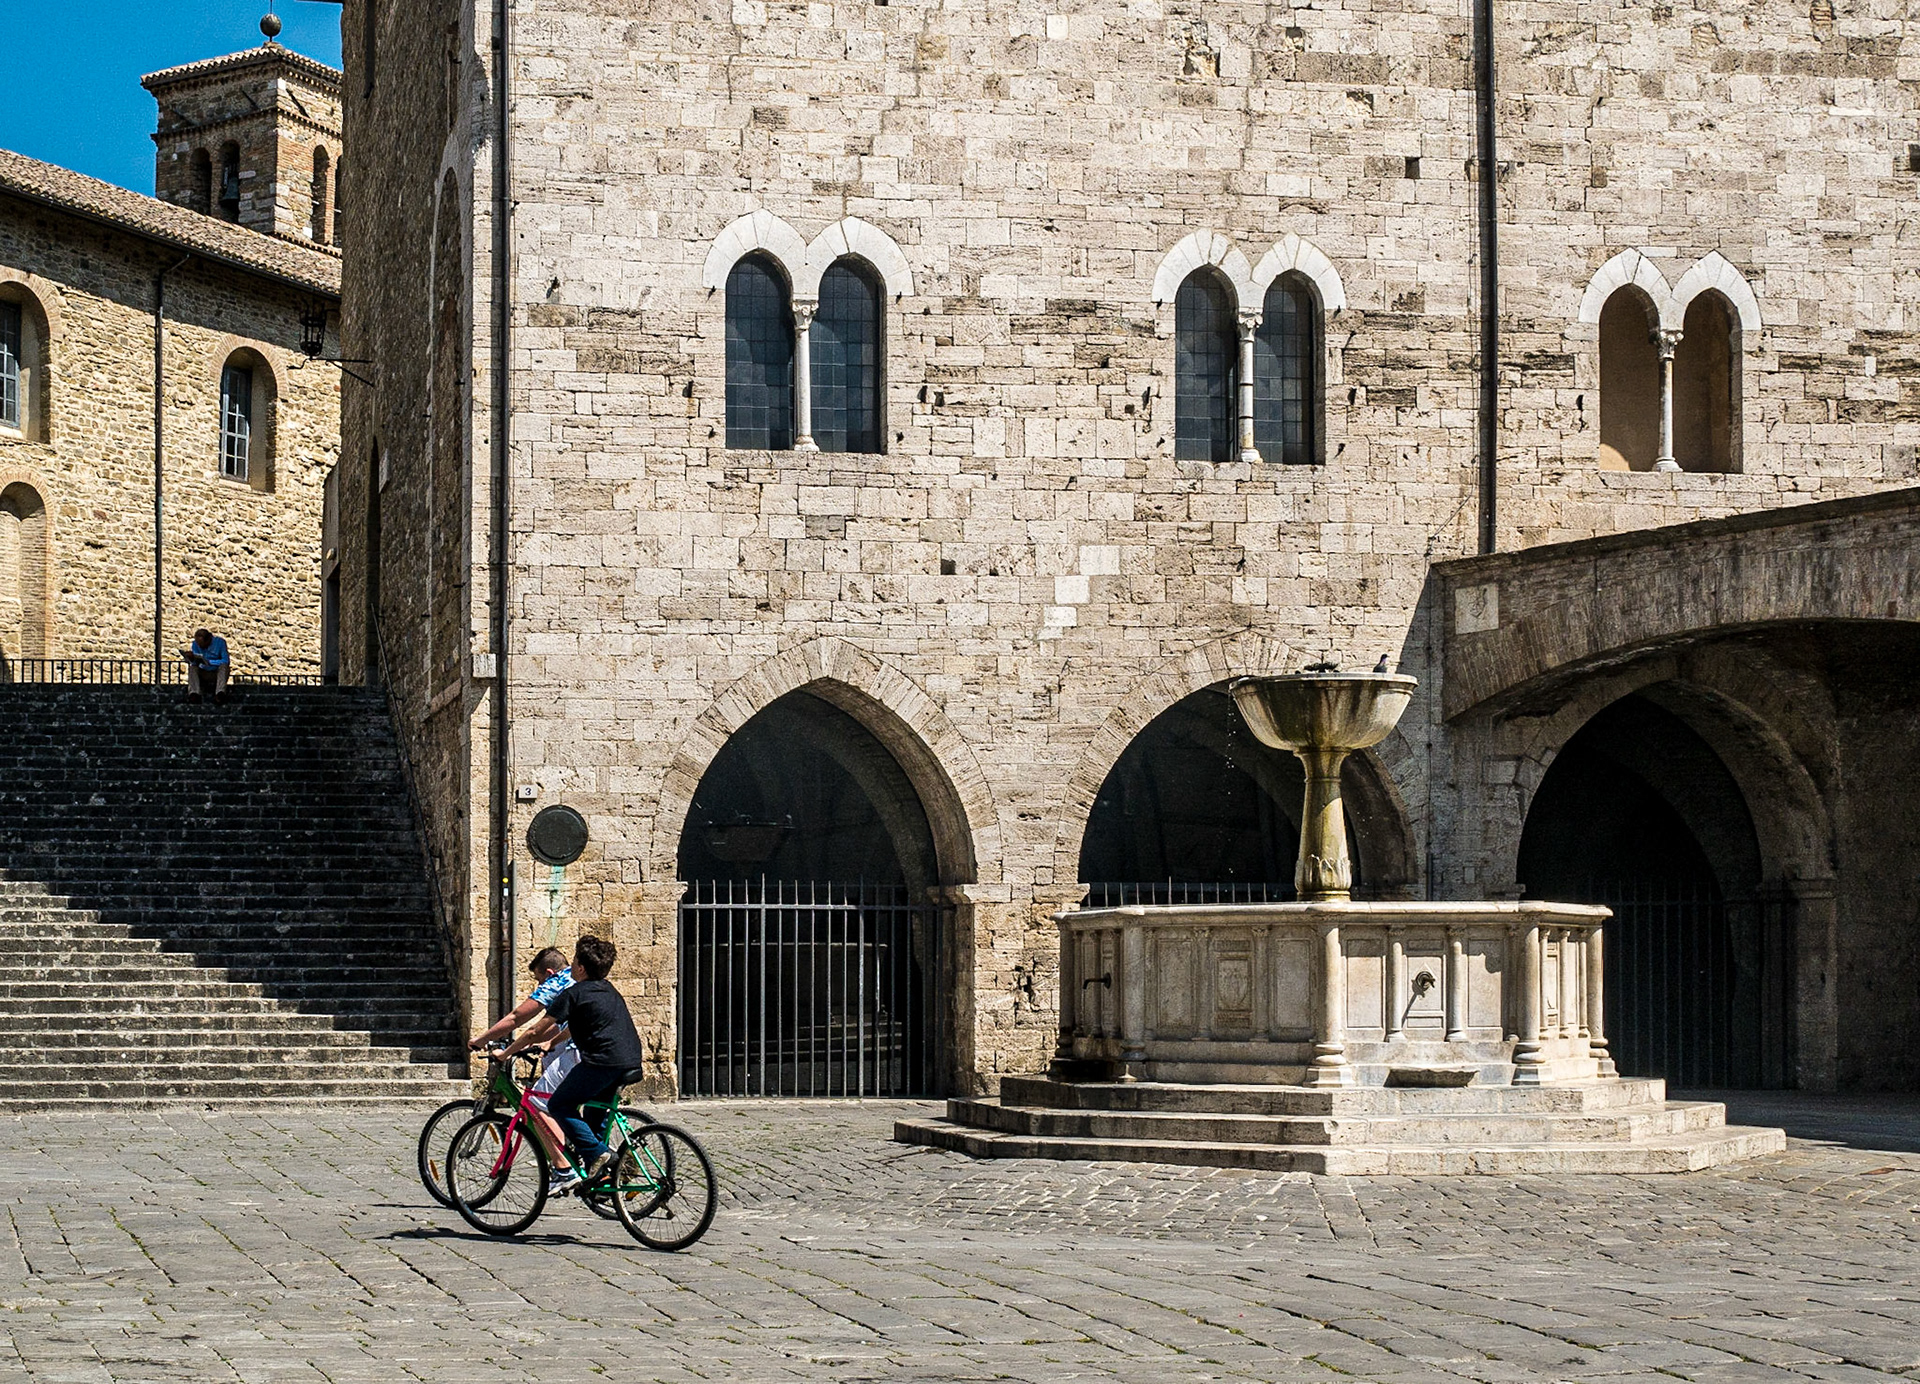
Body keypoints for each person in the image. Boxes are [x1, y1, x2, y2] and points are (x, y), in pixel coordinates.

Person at [540, 935, 646, 1185]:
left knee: (559, 1105)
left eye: (574, 959)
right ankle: (604, 1179)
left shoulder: (574, 993)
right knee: (593, 1114)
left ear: (580, 967)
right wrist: (550, 1043)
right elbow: (580, 1027)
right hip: (628, 1060)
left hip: (602, 1062)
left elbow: (536, 1029)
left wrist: (509, 1050)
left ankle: (601, 1154)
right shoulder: (607, 989)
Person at [470, 947, 575, 1177]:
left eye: (538, 980)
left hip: (575, 1053)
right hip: (596, 1051)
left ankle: (564, 1169)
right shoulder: (575, 979)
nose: (539, 986)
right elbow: (557, 1027)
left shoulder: (556, 983)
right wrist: (528, 1045)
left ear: (548, 973)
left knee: (538, 1103)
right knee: (563, 1106)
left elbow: (518, 1017)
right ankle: (582, 1157)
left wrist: (481, 1039)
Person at [182, 628, 231, 703]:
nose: (201, 647)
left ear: (209, 639)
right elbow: (195, 662)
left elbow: (226, 660)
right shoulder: (195, 644)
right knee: (192, 668)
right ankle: (194, 693)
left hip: (216, 672)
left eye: (202, 645)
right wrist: (191, 659)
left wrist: (209, 662)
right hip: (203, 672)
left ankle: (220, 693)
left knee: (224, 667)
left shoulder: (220, 643)